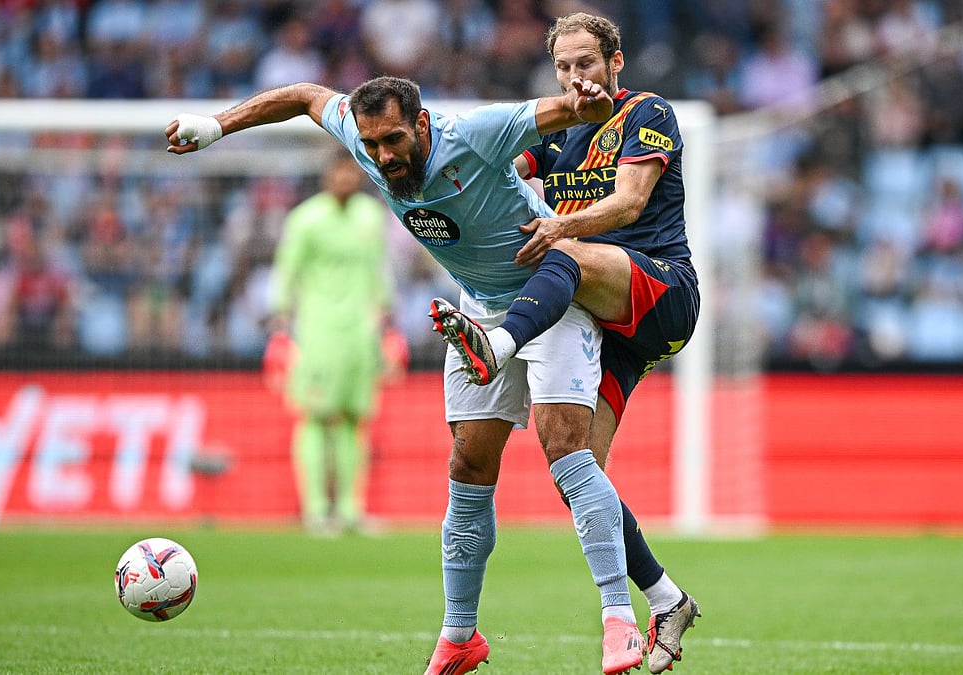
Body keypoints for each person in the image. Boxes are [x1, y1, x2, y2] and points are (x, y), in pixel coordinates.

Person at [166, 75, 648, 674]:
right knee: (469, 467)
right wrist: (217, 126)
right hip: (477, 308)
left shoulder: (474, 134)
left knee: (566, 450)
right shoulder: (360, 136)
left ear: (421, 124)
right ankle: (459, 636)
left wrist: (586, 101)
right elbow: (302, 96)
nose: (383, 156)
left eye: (394, 140)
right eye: (371, 145)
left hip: (552, 295)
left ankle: (619, 619)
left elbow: (557, 112)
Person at [429, 12, 702, 673]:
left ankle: (498, 344)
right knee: (578, 471)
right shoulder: (559, 133)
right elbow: (496, 165)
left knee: (570, 251)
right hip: (606, 323)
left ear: (616, 62)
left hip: (658, 293)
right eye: (564, 67)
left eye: (587, 63)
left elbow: (631, 202)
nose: (576, 76)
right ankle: (668, 598)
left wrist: (556, 227)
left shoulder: (648, 113)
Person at [268, 152, 391, 535]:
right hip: (318, 332)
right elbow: (286, 272)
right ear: (327, 174)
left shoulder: (371, 217)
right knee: (317, 416)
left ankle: (351, 510)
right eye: (339, 170)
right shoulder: (306, 220)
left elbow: (379, 270)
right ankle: (317, 510)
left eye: (351, 171)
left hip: (361, 332)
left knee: (356, 420)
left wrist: (387, 322)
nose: (345, 177)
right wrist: (281, 328)